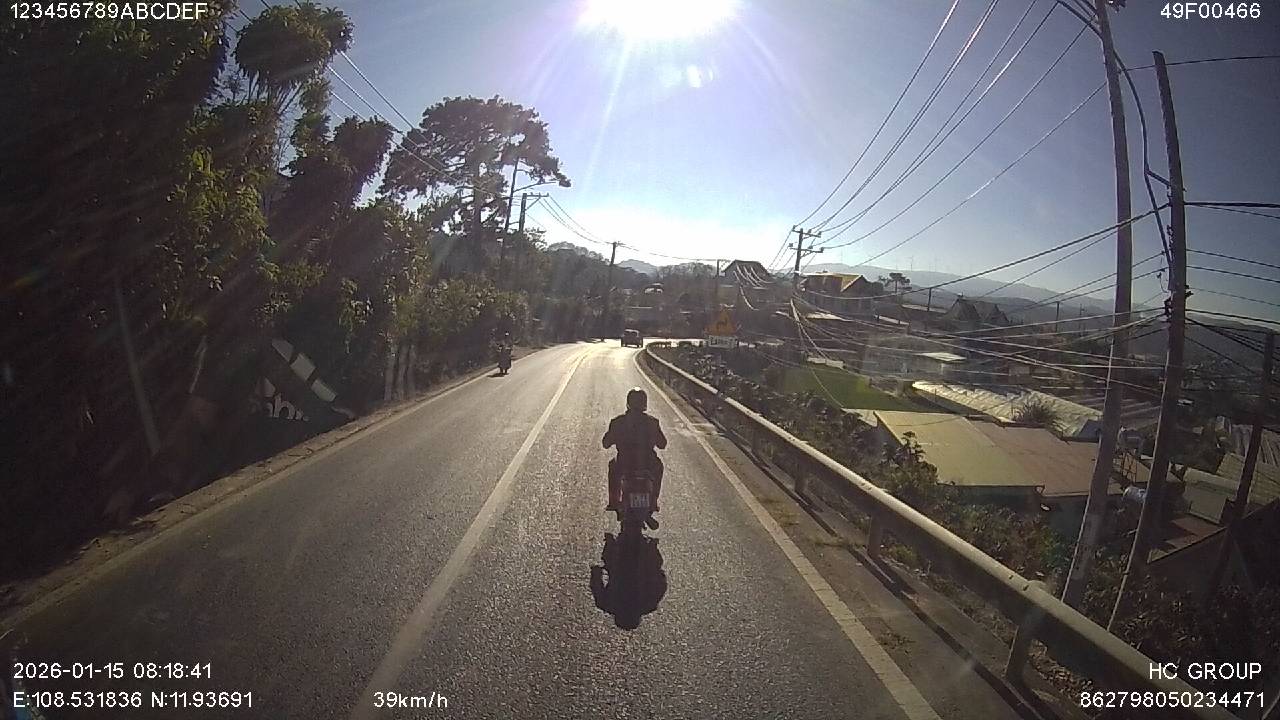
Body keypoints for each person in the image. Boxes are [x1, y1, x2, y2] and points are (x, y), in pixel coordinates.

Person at [602, 387, 667, 518]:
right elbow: (662, 444)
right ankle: (653, 501)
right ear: (644, 403)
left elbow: (605, 443)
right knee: (659, 467)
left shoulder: (618, 422)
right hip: (647, 463)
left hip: (624, 463)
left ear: (628, 403)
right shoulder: (652, 422)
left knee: (612, 467)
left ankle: (614, 501)